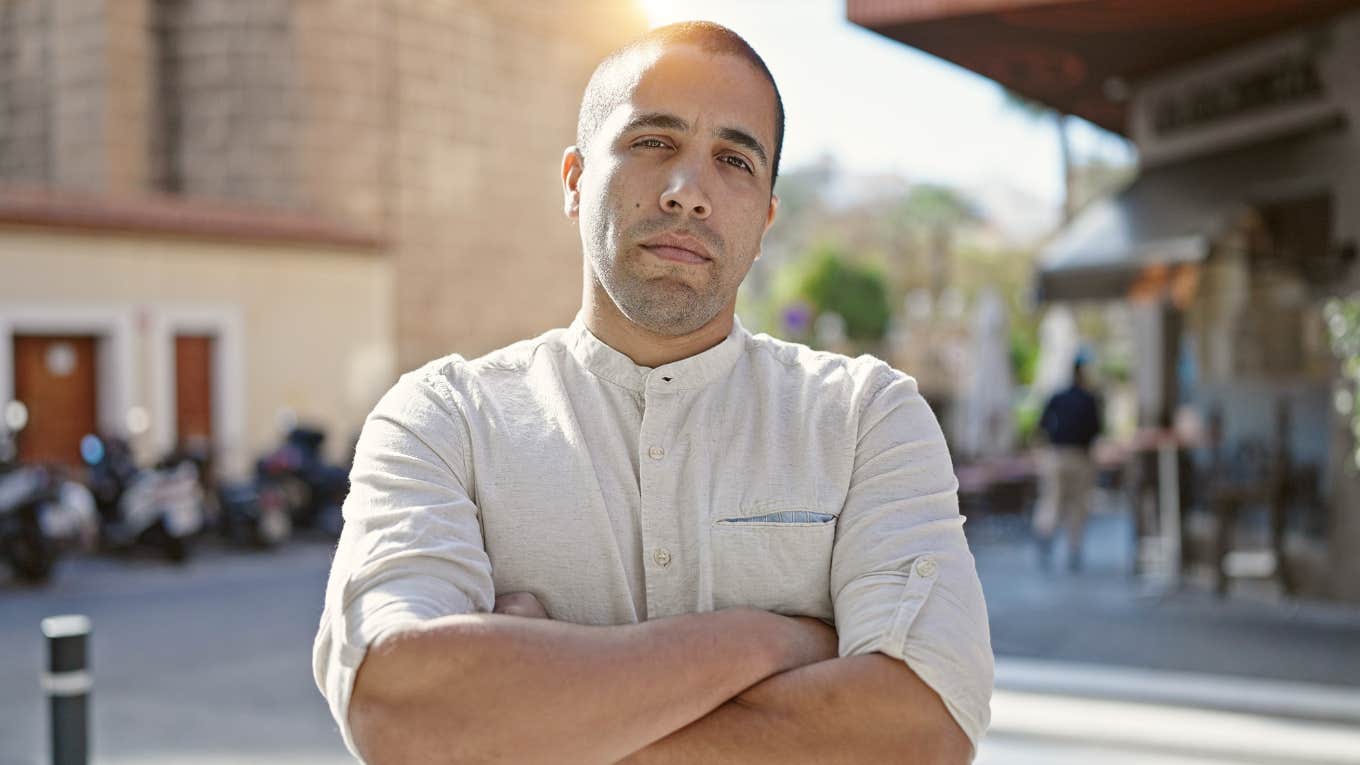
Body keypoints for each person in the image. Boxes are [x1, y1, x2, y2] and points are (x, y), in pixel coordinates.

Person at [313, 21, 992, 764]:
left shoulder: (863, 418)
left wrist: (532, 718)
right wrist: (776, 636)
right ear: (575, 181)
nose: (688, 193)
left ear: (765, 219)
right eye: (652, 143)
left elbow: (920, 730)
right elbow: (399, 707)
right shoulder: (445, 420)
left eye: (734, 159)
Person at [1033, 355, 1103, 572]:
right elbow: (1097, 429)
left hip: (1057, 454)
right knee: (1077, 504)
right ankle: (1073, 547)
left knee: (1052, 499)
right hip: (1080, 457)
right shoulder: (1090, 399)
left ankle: (1045, 532)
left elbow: (1042, 424)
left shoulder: (1058, 396)